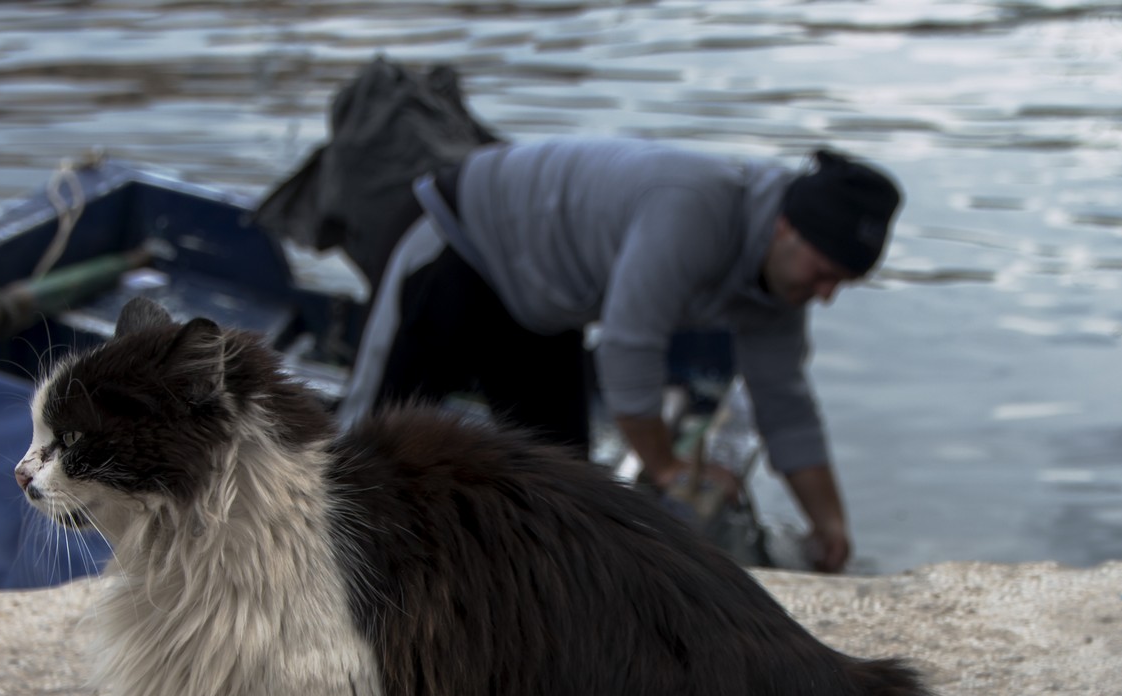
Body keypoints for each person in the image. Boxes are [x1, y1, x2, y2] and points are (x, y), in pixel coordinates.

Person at [335, 138, 902, 574]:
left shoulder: (780, 290)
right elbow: (630, 353)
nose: (826, 295)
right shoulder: (694, 208)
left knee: (560, 492)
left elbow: (787, 408)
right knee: (369, 450)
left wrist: (829, 524)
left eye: (842, 284)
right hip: (455, 241)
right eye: (825, 275)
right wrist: (667, 469)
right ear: (785, 229)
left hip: (540, 305)